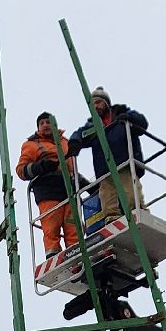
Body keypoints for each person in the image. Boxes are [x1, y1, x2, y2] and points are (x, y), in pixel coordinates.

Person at [65, 87, 148, 223]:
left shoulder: (121, 114)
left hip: (124, 164)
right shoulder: (93, 125)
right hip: (105, 170)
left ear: (106, 103)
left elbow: (142, 122)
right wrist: (75, 142)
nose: (95, 106)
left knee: (131, 194)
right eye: (92, 104)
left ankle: (137, 212)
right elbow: (80, 133)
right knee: (107, 197)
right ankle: (112, 217)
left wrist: (129, 118)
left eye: (98, 102)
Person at [15, 112, 79, 260]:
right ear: (38, 127)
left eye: (48, 122)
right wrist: (41, 166)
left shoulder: (65, 143)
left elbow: (71, 168)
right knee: (51, 225)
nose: (45, 125)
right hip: (47, 188)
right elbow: (21, 170)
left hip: (68, 187)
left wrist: (83, 184)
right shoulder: (31, 145)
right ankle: (54, 255)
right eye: (42, 123)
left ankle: (76, 253)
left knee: (73, 224)